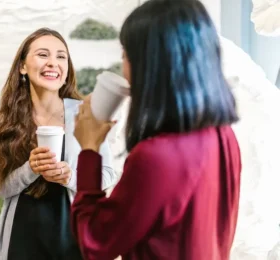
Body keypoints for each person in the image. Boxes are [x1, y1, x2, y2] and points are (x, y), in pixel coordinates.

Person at [71, 0, 242, 259]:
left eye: (126, 55)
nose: (124, 68)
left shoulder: (157, 157)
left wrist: (89, 149)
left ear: (150, 64)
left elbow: (95, 243)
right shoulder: (223, 136)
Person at [0, 28, 117, 260]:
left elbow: (107, 174)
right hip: (21, 241)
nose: (53, 63)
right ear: (22, 66)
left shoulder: (86, 115)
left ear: (66, 69)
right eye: (43, 54)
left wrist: (70, 177)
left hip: (74, 241)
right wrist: (30, 169)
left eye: (61, 56)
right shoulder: (3, 121)